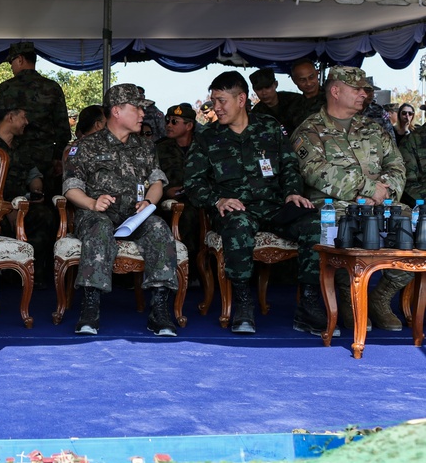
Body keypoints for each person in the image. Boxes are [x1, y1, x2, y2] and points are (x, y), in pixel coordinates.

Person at [184, 72, 327, 335]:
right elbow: (193, 183)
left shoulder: (269, 127)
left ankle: (308, 303)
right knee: (238, 225)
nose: (216, 107)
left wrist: (293, 192)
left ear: (241, 99)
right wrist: (218, 200)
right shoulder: (207, 137)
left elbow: (289, 167)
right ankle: (243, 303)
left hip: (274, 206)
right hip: (235, 209)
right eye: (213, 101)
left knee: (313, 224)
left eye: (221, 101)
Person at [292, 65, 410, 331]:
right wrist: (369, 189)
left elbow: (397, 166)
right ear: (335, 90)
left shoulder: (374, 129)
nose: (364, 94)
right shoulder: (310, 130)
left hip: (381, 205)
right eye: (357, 89)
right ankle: (347, 295)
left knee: (416, 226)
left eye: (365, 89)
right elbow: (316, 172)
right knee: (345, 229)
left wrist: (384, 192)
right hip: (334, 209)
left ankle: (381, 297)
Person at [62, 84, 179, 337]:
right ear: (116, 111)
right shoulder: (86, 146)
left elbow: (157, 182)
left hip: (134, 217)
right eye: (136, 108)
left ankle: (159, 309)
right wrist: (92, 203)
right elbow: (71, 187)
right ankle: (90, 307)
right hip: (96, 215)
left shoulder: (146, 146)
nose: (141, 114)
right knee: (100, 226)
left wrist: (148, 203)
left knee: (159, 226)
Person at [0, 105, 55, 288]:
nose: (26, 122)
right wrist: (6, 208)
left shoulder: (23, 148)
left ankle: (34, 274)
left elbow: (34, 175)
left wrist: (37, 191)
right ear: (10, 117)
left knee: (45, 216)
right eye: (24, 117)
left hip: (22, 204)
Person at [0, 42, 70, 186]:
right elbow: (63, 129)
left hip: (11, 160)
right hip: (44, 158)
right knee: (43, 201)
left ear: (20, 59)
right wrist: (57, 158)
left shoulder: (4, 88)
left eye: (11, 62)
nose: (11, 67)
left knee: (10, 201)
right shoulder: (52, 88)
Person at [155, 103, 200, 264]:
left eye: (175, 122)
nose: (168, 125)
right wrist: (166, 191)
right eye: (168, 121)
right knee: (185, 216)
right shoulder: (159, 148)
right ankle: (185, 268)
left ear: (189, 125)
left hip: (201, 197)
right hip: (171, 201)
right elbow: (150, 178)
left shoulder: (203, 146)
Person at [249, 67, 303, 133]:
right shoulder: (256, 114)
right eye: (259, 89)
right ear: (254, 90)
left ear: (276, 84)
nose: (264, 93)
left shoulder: (295, 100)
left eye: (267, 87)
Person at [286, 58, 326, 130]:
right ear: (294, 80)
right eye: (302, 80)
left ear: (317, 73)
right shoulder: (293, 107)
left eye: (311, 77)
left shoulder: (332, 99)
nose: (308, 83)